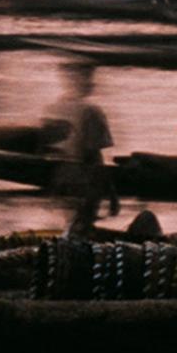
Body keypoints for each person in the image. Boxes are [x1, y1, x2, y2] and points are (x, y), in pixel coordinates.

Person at [49, 61, 114, 240]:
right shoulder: (92, 112)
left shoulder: (57, 107)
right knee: (82, 229)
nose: (93, 84)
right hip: (83, 182)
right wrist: (111, 191)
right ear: (83, 81)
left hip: (61, 180)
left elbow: (48, 149)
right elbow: (95, 156)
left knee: (68, 227)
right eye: (90, 79)